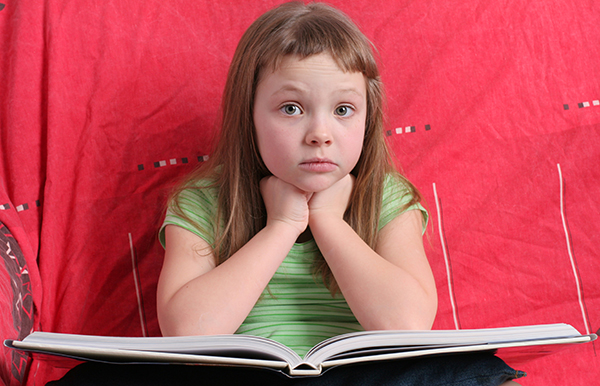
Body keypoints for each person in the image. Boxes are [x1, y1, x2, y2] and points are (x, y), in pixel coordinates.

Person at [49, 2, 524, 385]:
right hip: (240, 376)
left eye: (343, 109)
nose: (320, 133)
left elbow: (408, 325)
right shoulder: (201, 200)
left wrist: (330, 223)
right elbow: (188, 333)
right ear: (249, 115)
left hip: (363, 377)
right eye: (292, 108)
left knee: (470, 369)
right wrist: (282, 225)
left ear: (367, 119)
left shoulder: (387, 197)